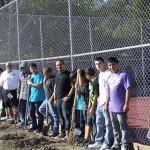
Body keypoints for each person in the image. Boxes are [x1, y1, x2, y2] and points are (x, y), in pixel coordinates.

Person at [105, 57, 131, 150]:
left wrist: (126, 104)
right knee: (114, 127)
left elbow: (128, 89)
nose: (112, 67)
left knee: (123, 126)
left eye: (113, 64)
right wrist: (106, 104)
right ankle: (116, 144)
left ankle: (125, 145)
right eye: (109, 65)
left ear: (117, 64)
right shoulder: (109, 77)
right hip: (111, 107)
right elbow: (108, 92)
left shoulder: (124, 75)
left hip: (120, 107)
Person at [88, 57, 113, 150]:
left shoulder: (108, 74)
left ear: (104, 63)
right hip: (100, 103)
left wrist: (107, 103)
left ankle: (107, 143)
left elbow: (109, 90)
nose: (98, 66)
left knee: (108, 124)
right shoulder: (100, 74)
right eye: (96, 64)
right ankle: (98, 141)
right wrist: (98, 97)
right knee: (99, 123)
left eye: (99, 63)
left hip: (106, 103)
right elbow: (101, 88)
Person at [54, 58, 74, 140]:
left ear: (64, 64)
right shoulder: (57, 75)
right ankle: (62, 132)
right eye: (57, 65)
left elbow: (73, 86)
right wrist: (54, 99)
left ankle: (67, 133)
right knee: (61, 116)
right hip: (58, 99)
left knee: (66, 115)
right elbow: (55, 87)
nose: (59, 66)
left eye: (60, 65)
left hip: (66, 99)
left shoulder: (69, 74)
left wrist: (68, 96)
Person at [39, 67, 59, 137]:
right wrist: (44, 82)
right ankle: (52, 119)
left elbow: (55, 90)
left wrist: (52, 98)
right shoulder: (47, 79)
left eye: (45, 74)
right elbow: (45, 89)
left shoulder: (54, 79)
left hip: (51, 99)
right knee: (41, 109)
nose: (45, 76)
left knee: (55, 114)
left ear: (49, 73)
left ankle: (56, 131)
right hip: (47, 98)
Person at [81, 67, 99, 146]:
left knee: (95, 121)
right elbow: (90, 95)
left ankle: (95, 138)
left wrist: (92, 107)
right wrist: (89, 105)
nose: (86, 76)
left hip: (95, 105)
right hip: (91, 104)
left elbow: (95, 95)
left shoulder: (95, 82)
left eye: (86, 75)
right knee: (92, 121)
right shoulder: (90, 82)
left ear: (88, 75)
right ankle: (93, 138)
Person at [26, 63, 45, 133]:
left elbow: (39, 86)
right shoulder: (31, 76)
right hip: (32, 97)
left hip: (39, 97)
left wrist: (30, 83)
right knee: (31, 112)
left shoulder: (40, 75)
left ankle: (40, 128)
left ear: (36, 68)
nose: (32, 70)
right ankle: (34, 126)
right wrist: (28, 81)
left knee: (39, 113)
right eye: (31, 69)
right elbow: (30, 85)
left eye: (33, 68)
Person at [73, 69, 89, 142]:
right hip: (78, 105)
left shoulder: (85, 82)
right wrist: (76, 88)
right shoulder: (78, 84)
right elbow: (78, 93)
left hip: (83, 105)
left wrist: (79, 73)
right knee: (77, 121)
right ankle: (76, 135)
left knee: (82, 121)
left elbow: (82, 85)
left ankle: (81, 135)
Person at [17, 61, 31, 126]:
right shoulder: (21, 75)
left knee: (29, 110)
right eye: (22, 68)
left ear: (27, 67)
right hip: (21, 95)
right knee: (21, 109)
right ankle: (23, 121)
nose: (23, 69)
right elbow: (19, 85)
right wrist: (18, 93)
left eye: (24, 67)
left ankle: (30, 123)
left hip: (28, 95)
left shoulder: (30, 75)